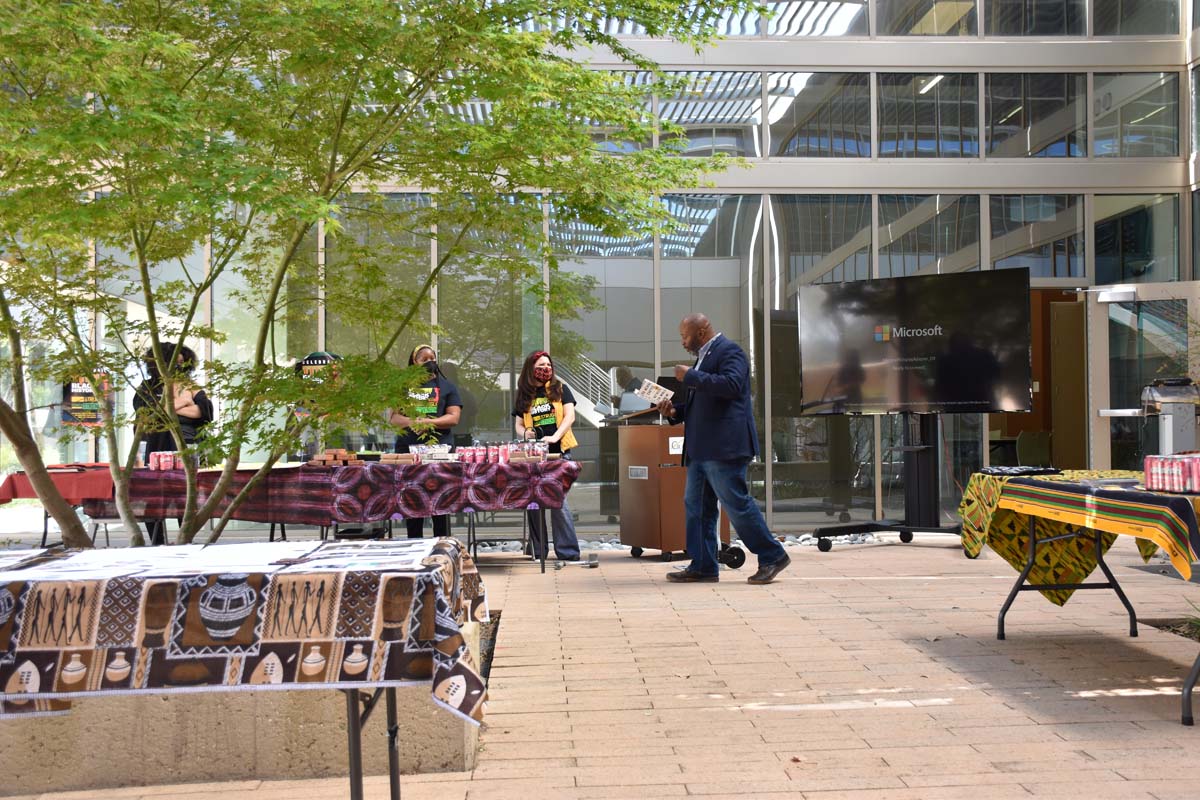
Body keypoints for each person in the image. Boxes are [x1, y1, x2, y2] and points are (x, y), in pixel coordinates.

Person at [655, 313, 790, 584]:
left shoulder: (731, 352)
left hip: (724, 446)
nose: (682, 342)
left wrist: (691, 376)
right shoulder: (704, 357)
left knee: (736, 503)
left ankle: (772, 555)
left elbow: (731, 386)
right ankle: (704, 565)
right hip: (700, 448)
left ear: (702, 332)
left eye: (685, 336)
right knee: (697, 507)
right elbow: (703, 404)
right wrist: (673, 411)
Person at [133, 342, 214, 545]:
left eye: (182, 363)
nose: (179, 367)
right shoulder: (148, 388)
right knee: (153, 495)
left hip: (186, 448)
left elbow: (204, 412)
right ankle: (156, 541)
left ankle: (184, 539)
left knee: (184, 494)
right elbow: (149, 414)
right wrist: (184, 403)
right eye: (175, 363)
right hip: (154, 448)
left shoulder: (192, 386)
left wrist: (170, 407)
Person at [512, 350, 581, 561]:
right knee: (534, 501)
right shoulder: (525, 393)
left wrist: (555, 436)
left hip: (559, 453)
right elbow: (518, 424)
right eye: (541, 366)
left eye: (548, 365)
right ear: (531, 369)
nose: (545, 369)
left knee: (558, 502)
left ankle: (568, 551)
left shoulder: (560, 388)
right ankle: (538, 551)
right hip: (535, 455)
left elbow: (570, 416)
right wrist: (526, 433)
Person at [389, 344, 462, 539]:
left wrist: (429, 422)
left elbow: (454, 417)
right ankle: (414, 544)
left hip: (440, 450)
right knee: (412, 499)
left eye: (433, 358)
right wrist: (413, 421)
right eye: (425, 359)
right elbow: (394, 418)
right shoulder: (403, 387)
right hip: (408, 450)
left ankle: (443, 544)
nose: (430, 362)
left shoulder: (447, 387)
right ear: (415, 362)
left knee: (441, 500)